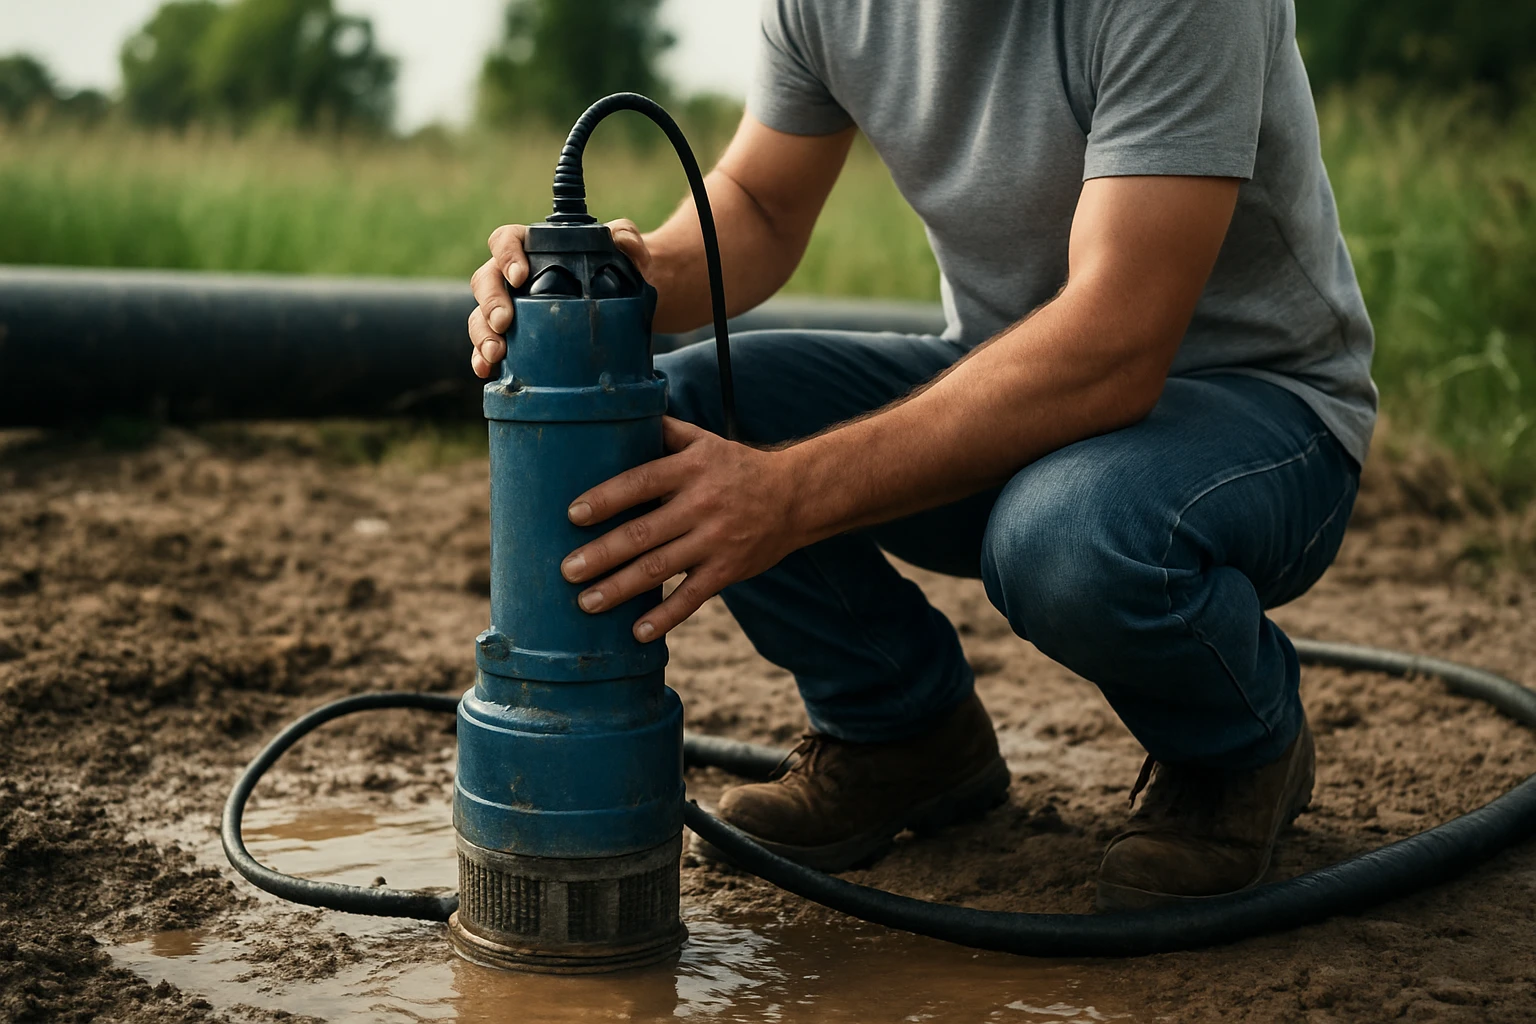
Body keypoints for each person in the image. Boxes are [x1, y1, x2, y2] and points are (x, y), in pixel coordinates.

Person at [465, 0, 1374, 910]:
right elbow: (759, 205)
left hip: (1259, 412)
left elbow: (1117, 341)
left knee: (1064, 539)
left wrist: (786, 495)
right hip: (1015, 379)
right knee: (701, 406)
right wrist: (615, 272)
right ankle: (900, 730)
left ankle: (1239, 750)